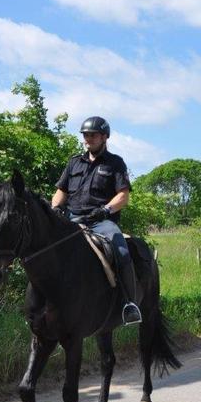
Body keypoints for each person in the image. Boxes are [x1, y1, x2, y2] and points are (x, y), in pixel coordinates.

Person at [51, 116, 141, 325]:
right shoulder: (74, 162)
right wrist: (55, 207)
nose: (87, 139)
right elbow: (61, 191)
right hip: (71, 219)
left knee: (121, 251)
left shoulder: (115, 163)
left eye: (92, 135)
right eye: (85, 135)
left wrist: (105, 210)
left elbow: (123, 196)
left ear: (104, 137)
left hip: (101, 222)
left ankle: (129, 304)